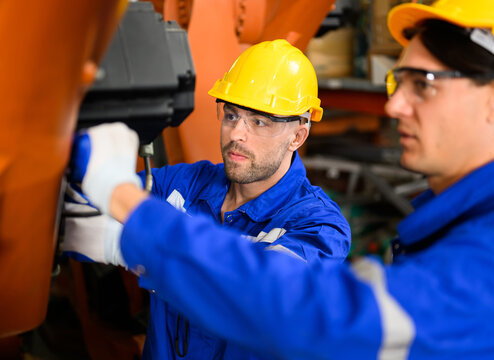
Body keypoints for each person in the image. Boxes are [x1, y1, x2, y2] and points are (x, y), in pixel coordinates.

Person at [66, 0, 494, 358]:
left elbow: (307, 310)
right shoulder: (453, 225)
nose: (394, 105)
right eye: (230, 115)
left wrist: (130, 211)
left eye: (424, 84)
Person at [63, 40, 351, 359]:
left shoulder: (319, 225)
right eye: (230, 115)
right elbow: (87, 204)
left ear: (297, 135)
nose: (236, 134)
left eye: (259, 121)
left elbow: (260, 299)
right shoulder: (185, 185)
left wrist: (135, 246)